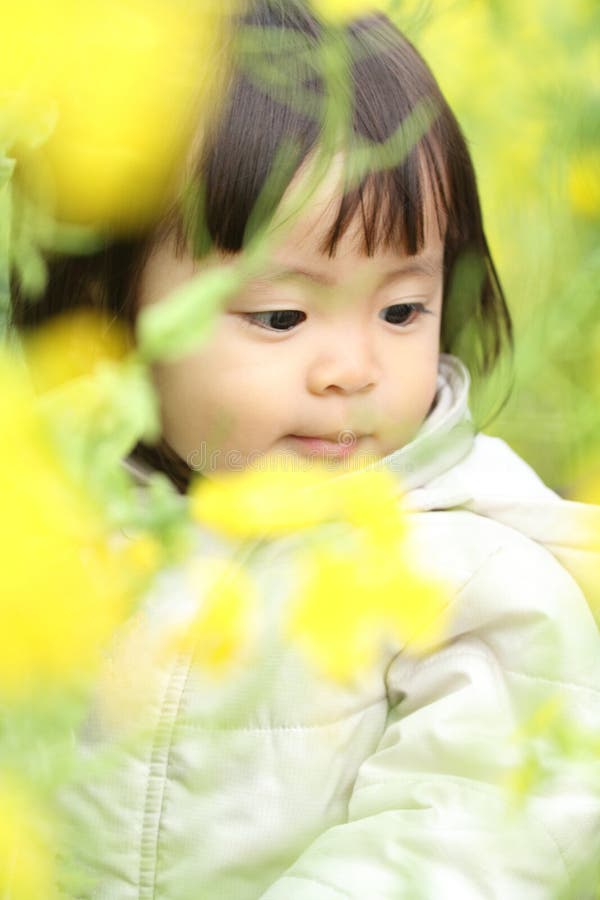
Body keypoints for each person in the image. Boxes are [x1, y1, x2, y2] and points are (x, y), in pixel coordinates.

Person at [11, 1, 600, 897]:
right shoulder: (47, 524)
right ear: (108, 301)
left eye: (402, 310)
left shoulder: (476, 579)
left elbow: (460, 846)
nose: (353, 370)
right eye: (282, 315)